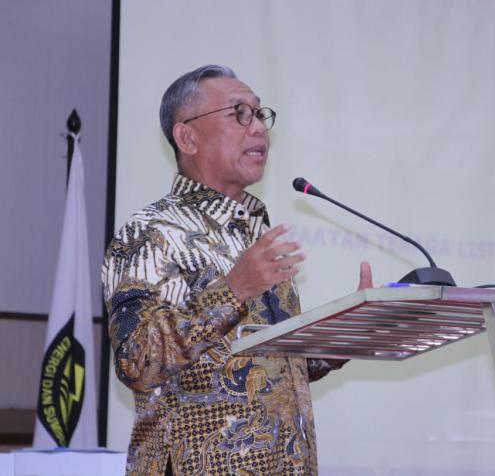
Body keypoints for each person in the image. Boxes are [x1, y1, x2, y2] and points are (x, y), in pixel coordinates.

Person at [102, 64, 372, 475]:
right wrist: (232, 290)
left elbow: (274, 368)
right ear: (187, 137)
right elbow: (136, 362)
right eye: (239, 114)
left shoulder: (253, 235)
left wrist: (343, 332)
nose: (259, 128)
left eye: (260, 114)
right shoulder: (150, 232)